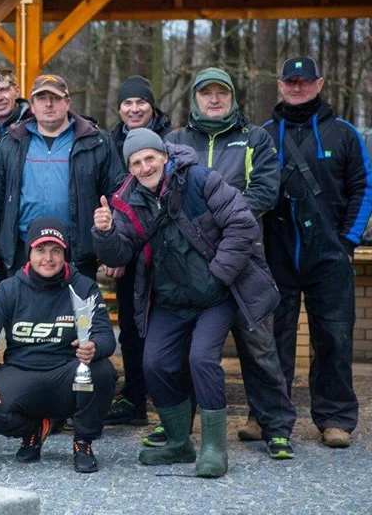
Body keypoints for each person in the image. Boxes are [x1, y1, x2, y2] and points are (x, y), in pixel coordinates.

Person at [93, 129, 280, 478]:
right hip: (169, 300)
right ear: (130, 169)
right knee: (155, 364)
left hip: (215, 297)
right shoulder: (129, 200)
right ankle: (179, 442)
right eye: (136, 162)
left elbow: (242, 225)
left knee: (201, 359)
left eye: (150, 158)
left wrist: (219, 275)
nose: (145, 166)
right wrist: (104, 232)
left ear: (164, 156)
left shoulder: (202, 180)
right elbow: (120, 252)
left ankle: (213, 448)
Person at [166, 68, 295, 458]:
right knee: (188, 347)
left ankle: (275, 427)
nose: (214, 99)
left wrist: (218, 221)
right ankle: (177, 426)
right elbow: (162, 189)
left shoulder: (254, 138)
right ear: (195, 98)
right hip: (190, 263)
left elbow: (265, 191)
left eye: (222, 92)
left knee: (258, 346)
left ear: (232, 97)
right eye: (206, 93)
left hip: (244, 259)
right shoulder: (174, 140)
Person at [262, 56, 372, 449]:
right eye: (289, 81)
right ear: (279, 84)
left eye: (304, 81)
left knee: (334, 339)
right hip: (276, 255)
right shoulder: (262, 134)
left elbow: (364, 187)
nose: (296, 87)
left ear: (319, 83)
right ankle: (269, 417)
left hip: (329, 256)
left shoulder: (343, 134)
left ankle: (335, 419)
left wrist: (348, 241)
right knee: (273, 340)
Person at [0, 217, 116, 472]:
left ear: (65, 254)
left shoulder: (83, 286)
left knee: (103, 372)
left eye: (56, 250)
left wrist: (93, 347)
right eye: (41, 250)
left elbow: (106, 336)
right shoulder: (9, 289)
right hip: (22, 372)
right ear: (29, 254)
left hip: (66, 373)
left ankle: (83, 441)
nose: (48, 258)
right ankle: (35, 430)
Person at [0, 74, 122, 282]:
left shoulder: (96, 142)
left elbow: (119, 198)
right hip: (20, 255)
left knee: (77, 316)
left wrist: (113, 249)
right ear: (32, 105)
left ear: (67, 102)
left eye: (56, 98)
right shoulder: (11, 143)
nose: (49, 104)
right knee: (21, 315)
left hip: (77, 257)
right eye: (41, 98)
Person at [103, 76, 172, 429]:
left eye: (140, 102)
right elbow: (105, 198)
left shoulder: (170, 141)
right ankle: (133, 398)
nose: (134, 108)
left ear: (152, 106)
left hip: (166, 256)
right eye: (127, 103)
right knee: (130, 329)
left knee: (169, 330)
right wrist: (114, 251)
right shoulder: (107, 143)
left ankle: (171, 404)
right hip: (127, 251)